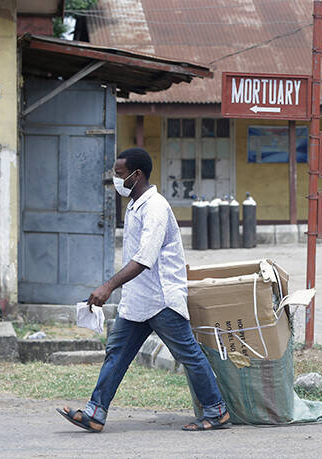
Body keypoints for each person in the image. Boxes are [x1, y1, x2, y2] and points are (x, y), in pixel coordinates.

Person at [57, 148, 229, 432]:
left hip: (161, 299)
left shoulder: (156, 207)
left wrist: (107, 286)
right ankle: (95, 413)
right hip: (138, 300)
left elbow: (144, 259)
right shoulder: (135, 205)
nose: (116, 180)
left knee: (189, 356)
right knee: (117, 353)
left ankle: (217, 410)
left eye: (120, 174)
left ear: (136, 175)